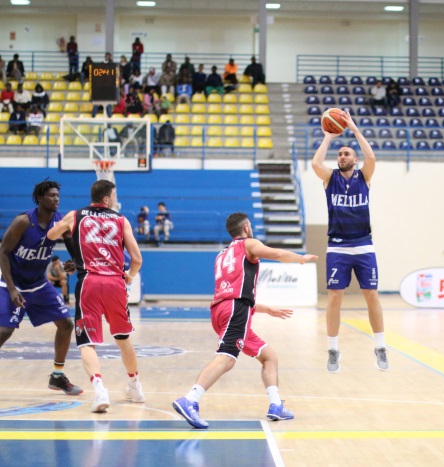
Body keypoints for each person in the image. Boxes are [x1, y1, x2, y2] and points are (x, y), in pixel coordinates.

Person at [172, 212, 317, 429]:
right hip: (235, 309)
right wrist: (300, 259)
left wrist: (266, 309)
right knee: (228, 358)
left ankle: (276, 405)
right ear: (246, 227)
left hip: (225, 309)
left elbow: (233, 291)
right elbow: (276, 254)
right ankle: (190, 399)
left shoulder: (221, 255)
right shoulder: (249, 244)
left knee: (269, 356)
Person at [47, 180, 144, 413]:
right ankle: (136, 386)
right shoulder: (121, 220)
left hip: (89, 282)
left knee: (86, 342)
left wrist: (66, 231)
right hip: (115, 283)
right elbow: (137, 258)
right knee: (123, 339)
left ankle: (100, 390)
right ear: (107, 199)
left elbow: (51, 235)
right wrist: (129, 275)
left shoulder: (75, 215)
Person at [311, 110, 389, 372]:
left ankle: (380, 346)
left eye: (347, 154)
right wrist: (328, 138)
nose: (342, 156)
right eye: (340, 154)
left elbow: (372, 157)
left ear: (354, 160)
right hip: (337, 245)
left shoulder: (364, 177)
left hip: (364, 244)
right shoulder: (329, 179)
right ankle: (333, 350)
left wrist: (354, 129)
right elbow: (314, 164)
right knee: (334, 297)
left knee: (371, 295)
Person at [0, 180, 82, 397]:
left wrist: (73, 261)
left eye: (58, 195)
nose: (56, 199)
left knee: (66, 325)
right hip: (13, 283)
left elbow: (70, 242)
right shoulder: (23, 222)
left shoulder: (59, 220)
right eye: (52, 195)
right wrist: (11, 289)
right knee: (4, 331)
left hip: (38, 284)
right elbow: (3, 252)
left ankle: (57, 376)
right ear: (40, 198)